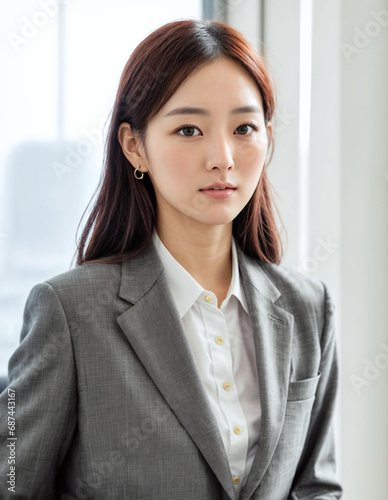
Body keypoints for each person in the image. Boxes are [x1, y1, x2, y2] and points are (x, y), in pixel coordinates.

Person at [0, 19, 342, 500]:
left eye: (244, 128)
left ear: (267, 137)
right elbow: (12, 482)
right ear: (134, 146)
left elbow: (317, 487)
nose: (222, 157)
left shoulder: (309, 306)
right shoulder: (69, 311)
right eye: (189, 129)